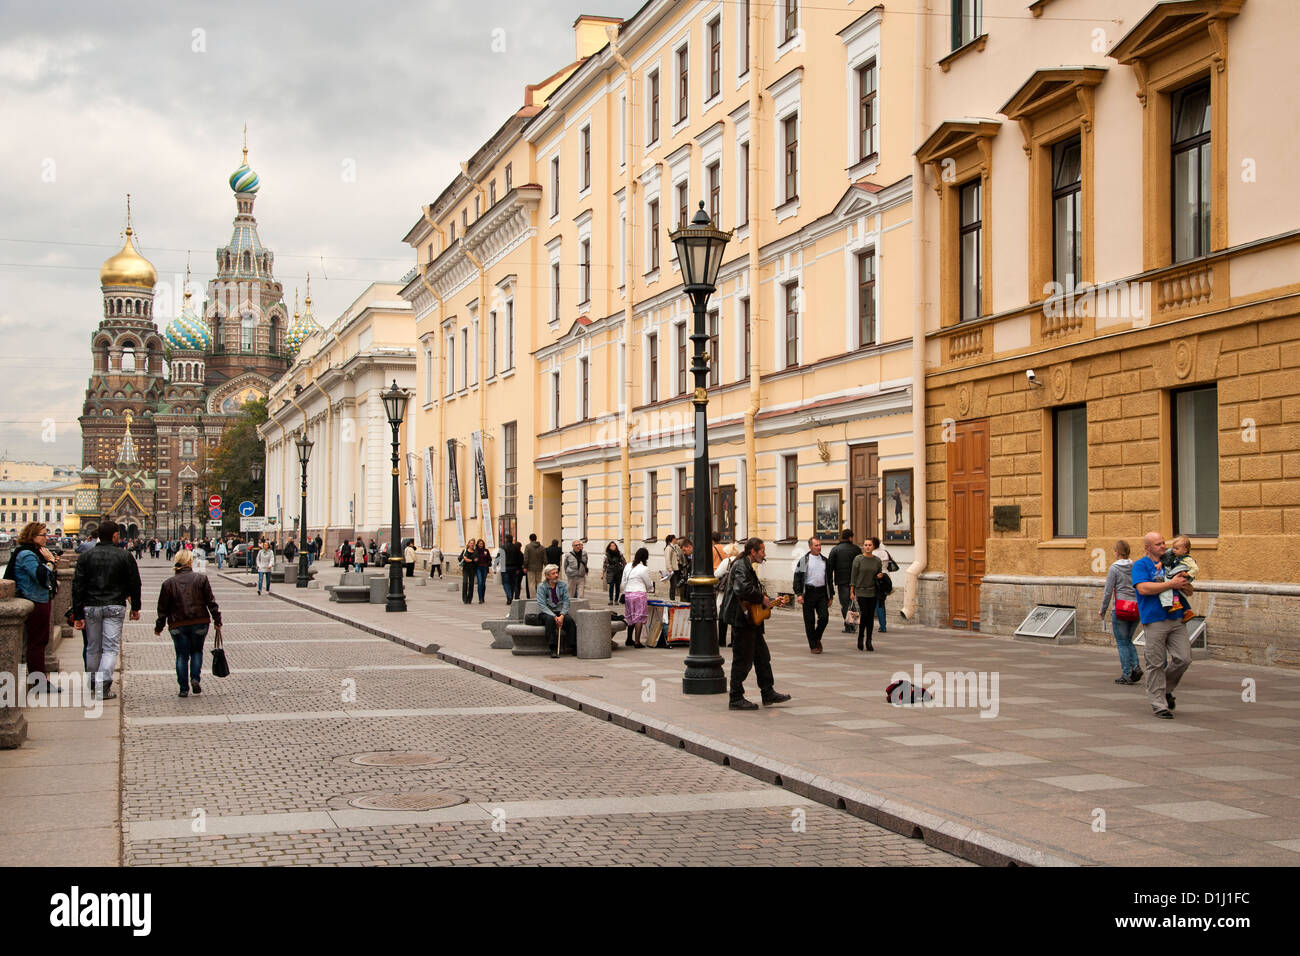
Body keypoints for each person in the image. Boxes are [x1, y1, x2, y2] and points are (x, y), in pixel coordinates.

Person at [71, 520, 142, 700]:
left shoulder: (85, 557)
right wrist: (135, 606)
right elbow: (135, 583)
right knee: (110, 648)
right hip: (115, 605)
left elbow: (78, 586)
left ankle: (93, 683)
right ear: (115, 535)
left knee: (93, 647)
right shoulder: (125, 556)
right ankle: (103, 686)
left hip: (91, 606)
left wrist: (78, 613)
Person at [718, 538, 791, 711]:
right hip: (742, 620)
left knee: (762, 657)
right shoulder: (741, 565)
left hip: (750, 620)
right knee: (742, 660)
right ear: (753, 552)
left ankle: (768, 692)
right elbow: (743, 589)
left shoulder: (747, 565)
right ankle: (735, 697)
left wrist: (769, 601)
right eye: (762, 551)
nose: (764, 554)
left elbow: (751, 592)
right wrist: (762, 599)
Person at [1133, 531, 1193, 719]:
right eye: (1158, 544)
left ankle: (1165, 689)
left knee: (1184, 658)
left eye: (1163, 543)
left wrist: (1183, 583)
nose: (1162, 546)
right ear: (1147, 547)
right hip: (1154, 619)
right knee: (1155, 662)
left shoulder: (1173, 562)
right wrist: (1170, 585)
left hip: (1176, 617)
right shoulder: (1140, 565)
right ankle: (1159, 704)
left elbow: (1189, 590)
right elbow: (1143, 588)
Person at [154, 549, 222, 698]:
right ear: (190, 562)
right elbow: (211, 602)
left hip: (177, 624)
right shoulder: (201, 579)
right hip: (200, 622)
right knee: (197, 651)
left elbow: (162, 609)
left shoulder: (168, 584)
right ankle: (195, 679)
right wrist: (217, 620)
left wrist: (159, 627)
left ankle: (183, 688)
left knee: (181, 656)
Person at [9, 522, 57, 694]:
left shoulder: (30, 553)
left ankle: (39, 680)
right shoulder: (28, 555)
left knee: (39, 642)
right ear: (33, 536)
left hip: (38, 599)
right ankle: (38, 683)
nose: (46, 538)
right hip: (35, 601)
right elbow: (41, 577)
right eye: (43, 535)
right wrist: (50, 562)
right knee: (37, 643)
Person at [1100, 539, 1142, 685]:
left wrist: (1103, 609)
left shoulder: (1114, 568)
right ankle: (1135, 666)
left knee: (1122, 642)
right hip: (1136, 607)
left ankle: (1126, 673)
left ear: (1117, 552)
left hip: (1120, 608)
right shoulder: (1136, 566)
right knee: (1128, 640)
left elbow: (1108, 591)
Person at [793, 536, 832, 654]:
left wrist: (831, 596)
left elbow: (829, 579)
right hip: (808, 593)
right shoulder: (804, 560)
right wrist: (799, 593)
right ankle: (813, 645)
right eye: (816, 545)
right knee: (809, 621)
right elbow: (797, 577)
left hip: (821, 593)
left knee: (824, 618)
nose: (819, 547)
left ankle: (817, 637)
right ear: (810, 547)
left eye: (820, 545)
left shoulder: (825, 560)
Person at [849, 538, 884, 651]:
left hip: (872, 591)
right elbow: (853, 576)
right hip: (861, 591)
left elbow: (879, 574)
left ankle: (869, 640)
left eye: (870, 545)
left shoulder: (877, 560)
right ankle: (860, 637)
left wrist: (880, 576)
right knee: (864, 615)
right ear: (863, 546)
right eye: (866, 545)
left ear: (873, 547)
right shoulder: (858, 559)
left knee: (870, 617)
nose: (868, 547)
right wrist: (852, 591)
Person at [536, 564, 576, 658]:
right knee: (550, 620)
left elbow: (566, 601)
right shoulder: (542, 587)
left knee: (569, 621)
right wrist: (554, 617)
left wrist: (562, 615)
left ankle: (573, 646)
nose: (556, 575)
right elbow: (542, 605)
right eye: (553, 573)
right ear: (547, 576)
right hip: (547, 612)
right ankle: (553, 648)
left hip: (560, 611)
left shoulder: (562, 585)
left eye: (557, 572)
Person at [825, 529, 860, 633]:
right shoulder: (856, 549)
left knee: (845, 604)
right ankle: (853, 624)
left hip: (842, 581)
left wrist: (829, 582)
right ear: (850, 538)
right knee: (853, 603)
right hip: (855, 581)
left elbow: (829, 568)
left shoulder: (835, 549)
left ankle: (849, 626)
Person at [620, 548, 654, 647]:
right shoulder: (644, 569)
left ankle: (629, 639)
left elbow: (623, 581)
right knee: (638, 617)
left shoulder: (628, 565)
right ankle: (637, 641)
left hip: (628, 593)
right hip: (639, 594)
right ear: (645, 558)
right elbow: (648, 583)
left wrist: (626, 590)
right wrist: (650, 588)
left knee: (630, 616)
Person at [1161, 536, 1199, 623]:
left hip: (1181, 577)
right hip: (1179, 577)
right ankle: (1187, 611)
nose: (1173, 550)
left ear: (1185, 550)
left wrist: (1187, 574)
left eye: (1176, 548)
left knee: (1173, 589)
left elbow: (1195, 569)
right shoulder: (1177, 557)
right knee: (1179, 594)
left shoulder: (1188, 559)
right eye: (1173, 548)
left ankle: (1176, 603)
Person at [713, 542, 740, 648]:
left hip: (725, 590)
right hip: (737, 591)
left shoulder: (727, 561)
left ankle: (722, 640)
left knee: (722, 613)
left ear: (728, 553)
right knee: (734, 615)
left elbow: (717, 574)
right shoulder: (740, 561)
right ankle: (734, 641)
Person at [871, 537, 894, 634]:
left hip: (878, 578)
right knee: (881, 602)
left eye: (869, 544)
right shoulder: (885, 552)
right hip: (886, 577)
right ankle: (883, 624)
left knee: (878, 603)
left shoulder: (873, 554)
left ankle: (883, 625)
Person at [602, 541, 626, 605]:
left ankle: (616, 600)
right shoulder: (607, 554)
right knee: (611, 586)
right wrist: (602, 574)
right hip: (610, 571)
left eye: (614, 545)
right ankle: (611, 600)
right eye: (611, 546)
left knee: (617, 586)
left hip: (618, 571)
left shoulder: (619, 553)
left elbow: (624, 562)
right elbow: (604, 565)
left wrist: (625, 569)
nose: (613, 547)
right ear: (609, 547)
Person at [503, 534, 524, 604]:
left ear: (506, 539)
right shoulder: (516, 548)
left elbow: (499, 556)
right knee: (513, 583)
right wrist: (518, 568)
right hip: (514, 568)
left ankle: (509, 596)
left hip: (505, 567)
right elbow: (519, 559)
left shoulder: (503, 547)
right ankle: (513, 596)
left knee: (506, 583)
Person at [664, 534, 682, 601]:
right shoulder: (669, 548)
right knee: (673, 585)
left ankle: (675, 598)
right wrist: (670, 569)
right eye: (675, 538)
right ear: (672, 539)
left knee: (677, 583)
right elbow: (668, 559)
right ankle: (672, 599)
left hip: (677, 568)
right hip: (672, 570)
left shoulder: (674, 547)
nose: (676, 540)